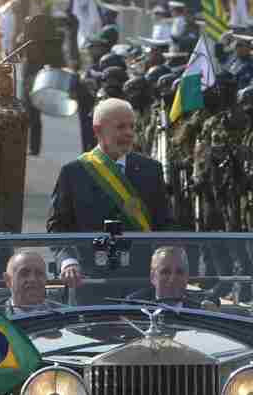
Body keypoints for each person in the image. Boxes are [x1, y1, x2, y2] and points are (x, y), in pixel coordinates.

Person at [47, 98, 174, 284]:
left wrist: (167, 258)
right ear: (98, 130)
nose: (129, 133)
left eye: (132, 126)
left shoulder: (151, 170)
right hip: (90, 278)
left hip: (141, 280)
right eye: (121, 127)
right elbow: (57, 226)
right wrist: (68, 261)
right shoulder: (74, 172)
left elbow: (165, 223)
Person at [0, 250, 61, 317]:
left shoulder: (65, 314)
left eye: (39, 273)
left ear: (45, 278)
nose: (32, 279)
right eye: (24, 273)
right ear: (8, 280)